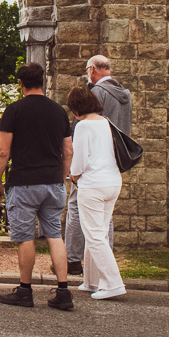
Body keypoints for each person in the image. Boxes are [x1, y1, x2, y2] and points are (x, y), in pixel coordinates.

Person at [0, 63, 74, 310]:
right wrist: (62, 175)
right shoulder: (58, 111)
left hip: (24, 182)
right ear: (43, 81)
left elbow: (3, 151)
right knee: (54, 235)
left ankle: (25, 290)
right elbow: (68, 150)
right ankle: (63, 290)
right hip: (52, 182)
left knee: (25, 236)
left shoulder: (14, 110)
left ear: (21, 84)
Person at [64, 54, 132, 275]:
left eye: (87, 71)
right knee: (105, 217)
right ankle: (104, 259)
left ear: (92, 70)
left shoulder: (96, 93)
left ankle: (73, 259)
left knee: (75, 207)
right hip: (112, 164)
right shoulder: (125, 95)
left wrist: (74, 170)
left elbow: (81, 129)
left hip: (91, 167)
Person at [66, 83, 126, 299]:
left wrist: (73, 175)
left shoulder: (82, 126)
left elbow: (80, 160)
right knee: (98, 232)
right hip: (112, 182)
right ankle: (91, 281)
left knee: (94, 236)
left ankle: (113, 283)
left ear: (76, 108)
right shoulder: (105, 123)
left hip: (92, 185)